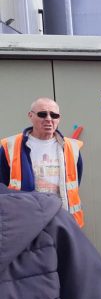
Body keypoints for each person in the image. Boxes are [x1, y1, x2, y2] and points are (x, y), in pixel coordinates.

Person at [0, 97, 85, 227]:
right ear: (30, 115)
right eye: (42, 114)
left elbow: (74, 182)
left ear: (59, 118)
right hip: (25, 222)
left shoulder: (71, 148)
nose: (49, 119)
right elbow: (2, 186)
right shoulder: (9, 146)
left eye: (54, 115)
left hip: (63, 220)